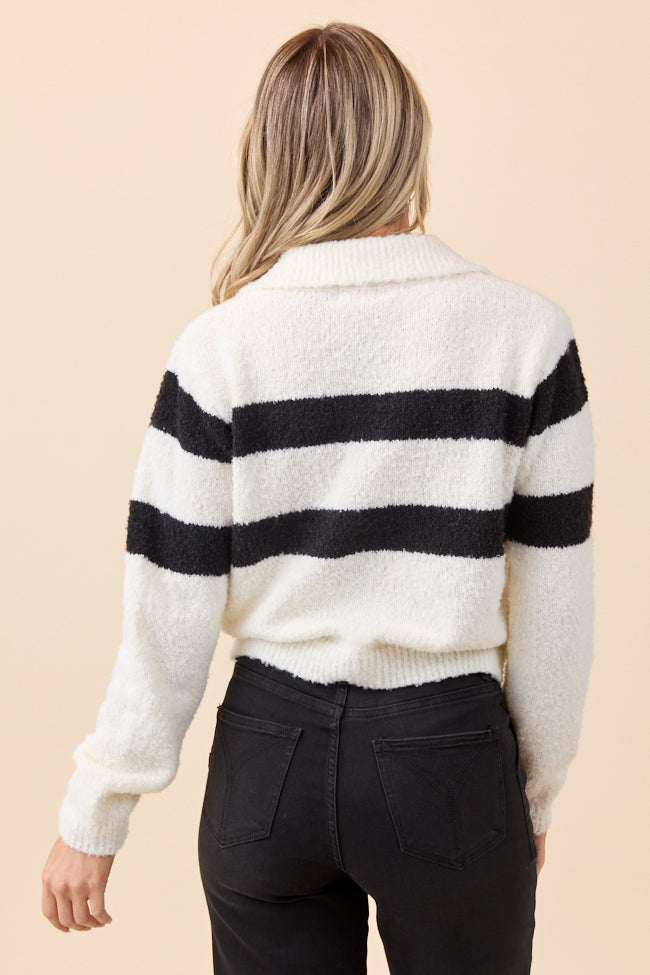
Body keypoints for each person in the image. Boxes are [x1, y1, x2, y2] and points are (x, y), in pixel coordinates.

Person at [42, 21, 594, 975]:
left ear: (271, 151)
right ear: (408, 139)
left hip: (269, 757)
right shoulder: (528, 338)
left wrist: (97, 809)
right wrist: (531, 793)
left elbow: (167, 610)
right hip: (450, 757)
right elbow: (556, 608)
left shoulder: (218, 351)